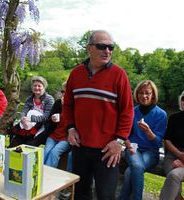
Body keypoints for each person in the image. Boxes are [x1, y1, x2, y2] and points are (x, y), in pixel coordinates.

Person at [63, 30, 134, 200]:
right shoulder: (76, 73)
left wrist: (119, 141)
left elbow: (127, 112)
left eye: (111, 47)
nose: (107, 51)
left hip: (107, 150)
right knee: (80, 193)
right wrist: (70, 128)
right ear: (89, 48)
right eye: (102, 46)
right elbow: (67, 106)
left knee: (106, 195)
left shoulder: (119, 75)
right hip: (80, 146)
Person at [119, 80, 167, 200]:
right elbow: (126, 134)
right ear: (137, 94)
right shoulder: (132, 111)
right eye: (140, 93)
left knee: (132, 171)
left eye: (147, 93)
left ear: (153, 95)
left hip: (151, 152)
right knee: (136, 165)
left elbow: (157, 142)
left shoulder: (161, 114)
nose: (144, 96)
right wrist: (127, 143)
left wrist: (148, 131)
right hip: (134, 149)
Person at [9, 76, 54, 147]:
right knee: (15, 140)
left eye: (39, 86)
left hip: (41, 125)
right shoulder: (29, 99)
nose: (36, 88)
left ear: (44, 87)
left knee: (30, 144)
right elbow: (24, 111)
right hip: (27, 123)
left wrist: (31, 119)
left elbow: (46, 117)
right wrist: (23, 118)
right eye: (35, 86)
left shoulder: (49, 99)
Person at [160, 91, 184, 200]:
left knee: (174, 175)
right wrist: (178, 154)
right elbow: (167, 140)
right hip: (172, 156)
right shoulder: (174, 118)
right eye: (183, 99)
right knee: (173, 180)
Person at [44, 82, 70, 168]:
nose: (64, 94)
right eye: (63, 91)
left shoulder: (76, 105)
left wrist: (65, 109)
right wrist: (52, 119)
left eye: (67, 92)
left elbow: (75, 123)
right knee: (45, 151)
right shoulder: (58, 103)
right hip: (53, 136)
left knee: (54, 153)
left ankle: (47, 175)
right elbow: (49, 120)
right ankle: (37, 172)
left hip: (66, 138)